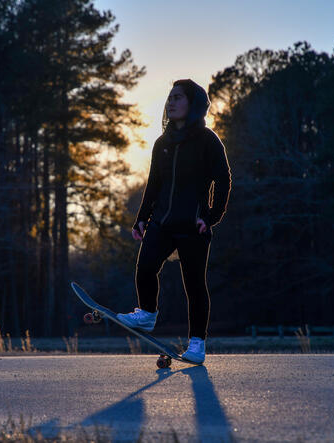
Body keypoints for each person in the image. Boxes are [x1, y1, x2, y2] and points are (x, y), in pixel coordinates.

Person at [116, 79, 231, 364]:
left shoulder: (208, 140)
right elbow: (153, 184)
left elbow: (224, 179)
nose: (171, 102)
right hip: (161, 223)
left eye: (178, 97)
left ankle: (197, 344)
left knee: (194, 285)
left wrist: (211, 216)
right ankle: (146, 314)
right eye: (170, 98)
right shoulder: (161, 143)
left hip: (193, 225)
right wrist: (141, 218)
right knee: (144, 268)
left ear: (193, 104)